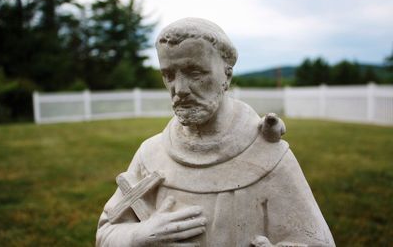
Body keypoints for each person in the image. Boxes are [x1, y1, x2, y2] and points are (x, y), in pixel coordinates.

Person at [96, 18, 335, 247]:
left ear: (226, 76)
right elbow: (106, 232)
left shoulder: (269, 157)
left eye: (195, 73)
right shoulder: (151, 154)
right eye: (168, 75)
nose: (179, 90)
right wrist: (138, 236)